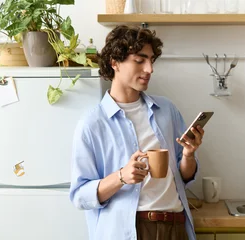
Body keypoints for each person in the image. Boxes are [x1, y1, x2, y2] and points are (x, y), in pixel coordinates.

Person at [69, 25, 205, 240]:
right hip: (129, 231)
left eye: (151, 60)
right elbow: (80, 196)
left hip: (175, 226)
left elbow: (184, 175)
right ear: (115, 62)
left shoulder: (167, 110)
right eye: (140, 60)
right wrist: (121, 177)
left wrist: (188, 155)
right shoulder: (92, 123)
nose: (149, 69)